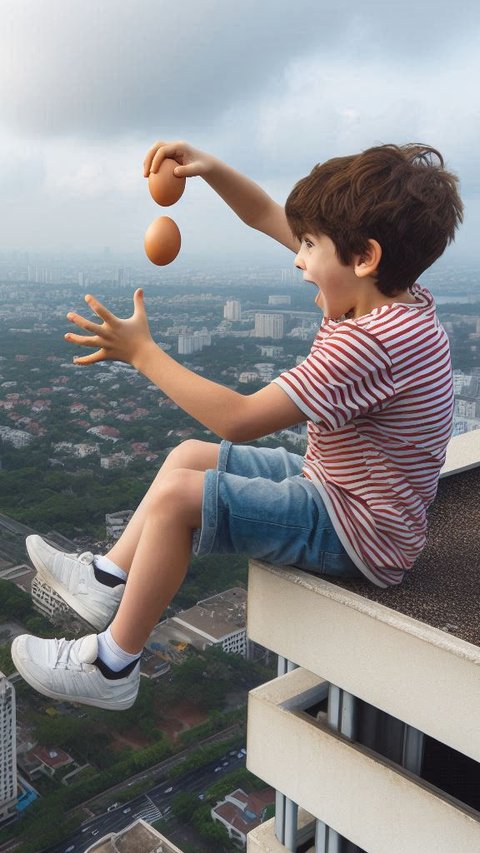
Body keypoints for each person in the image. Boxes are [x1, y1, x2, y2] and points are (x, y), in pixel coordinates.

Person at [11, 139, 463, 710]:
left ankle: (112, 664)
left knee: (180, 496)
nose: (298, 259)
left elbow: (241, 419)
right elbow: (267, 216)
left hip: (360, 532)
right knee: (188, 456)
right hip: (341, 490)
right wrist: (211, 170)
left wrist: (142, 352)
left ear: (364, 257)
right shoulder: (399, 295)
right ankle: (105, 580)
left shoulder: (370, 343)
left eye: (308, 246)